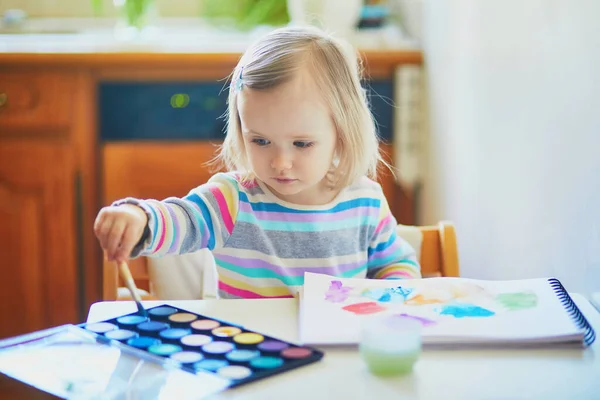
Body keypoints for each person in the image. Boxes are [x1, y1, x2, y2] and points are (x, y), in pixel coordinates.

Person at [94, 25, 421, 299]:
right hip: (250, 361)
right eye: (260, 141)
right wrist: (140, 218)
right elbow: (183, 219)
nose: (280, 162)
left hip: (335, 361)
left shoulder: (364, 201)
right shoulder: (232, 199)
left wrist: (389, 302)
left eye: (301, 144)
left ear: (342, 131)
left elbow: (395, 265)